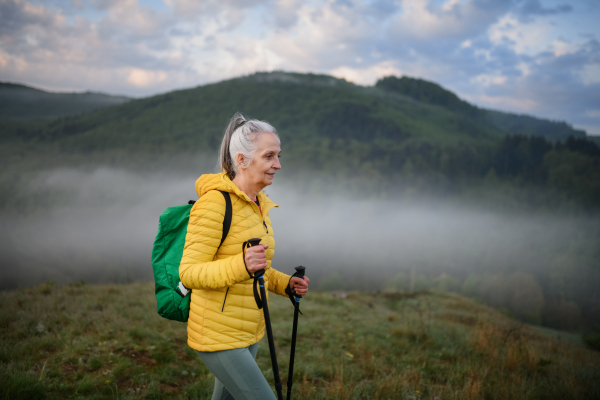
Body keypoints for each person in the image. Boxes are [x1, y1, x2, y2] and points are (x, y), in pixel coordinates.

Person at [179, 112, 310, 400]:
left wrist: (286, 284)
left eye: (278, 155)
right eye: (269, 156)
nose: (278, 165)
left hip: (248, 331)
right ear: (242, 160)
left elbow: (258, 268)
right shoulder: (214, 204)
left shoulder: (258, 204)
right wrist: (241, 264)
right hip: (218, 335)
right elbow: (188, 272)